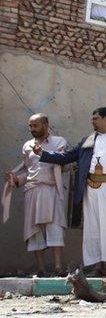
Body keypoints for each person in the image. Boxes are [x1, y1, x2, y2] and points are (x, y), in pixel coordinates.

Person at [34, 107, 106, 276]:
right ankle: (97, 265)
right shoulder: (87, 141)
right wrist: (43, 154)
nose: (92, 121)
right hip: (91, 189)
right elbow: (68, 156)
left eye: (95, 118)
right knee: (93, 228)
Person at [3, 114, 67, 276]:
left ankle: (59, 268)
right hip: (32, 191)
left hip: (52, 190)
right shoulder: (27, 146)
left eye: (36, 126)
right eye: (30, 126)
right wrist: (15, 180)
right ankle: (41, 269)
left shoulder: (59, 142)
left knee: (55, 228)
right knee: (34, 231)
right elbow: (28, 171)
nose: (32, 129)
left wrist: (43, 153)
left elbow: (62, 162)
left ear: (46, 125)